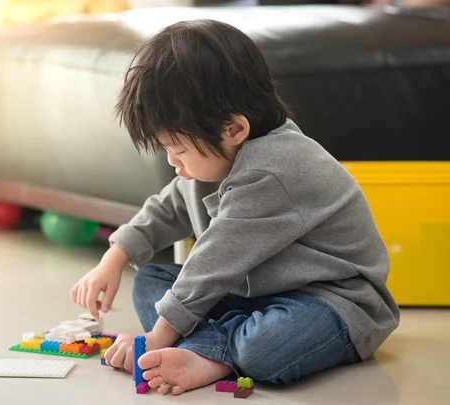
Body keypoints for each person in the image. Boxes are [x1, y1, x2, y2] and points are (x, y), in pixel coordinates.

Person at [70, 19, 400, 395]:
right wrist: (114, 257)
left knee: (266, 348)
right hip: (254, 295)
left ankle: (212, 353)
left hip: (332, 302)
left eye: (178, 150)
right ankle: (219, 343)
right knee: (150, 282)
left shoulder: (274, 170)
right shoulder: (217, 155)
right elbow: (168, 208)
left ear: (234, 130)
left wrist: (156, 339)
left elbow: (213, 263)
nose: (173, 164)